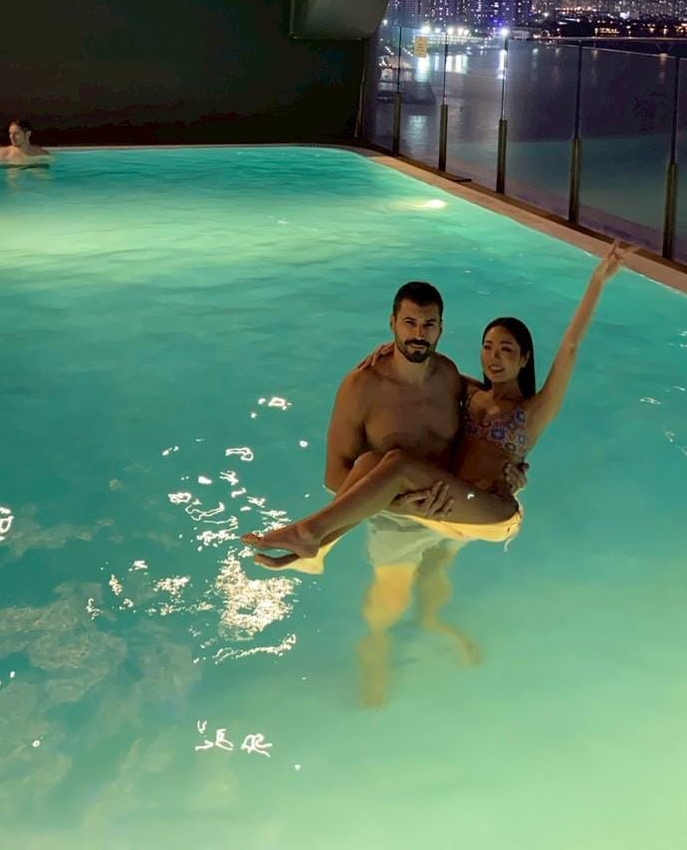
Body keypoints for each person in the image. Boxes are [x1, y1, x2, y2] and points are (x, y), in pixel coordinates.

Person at [243, 245, 626, 702]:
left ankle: (312, 533)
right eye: (488, 347)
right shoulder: (465, 391)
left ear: (525, 359)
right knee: (371, 468)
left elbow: (570, 347)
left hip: (490, 511)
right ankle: (376, 591)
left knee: (397, 464)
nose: (494, 357)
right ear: (394, 324)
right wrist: (387, 353)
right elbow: (411, 375)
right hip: (446, 505)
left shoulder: (529, 411)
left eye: (507, 350)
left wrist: (596, 283)